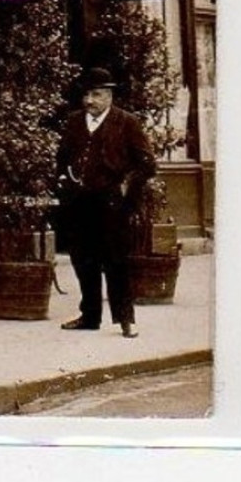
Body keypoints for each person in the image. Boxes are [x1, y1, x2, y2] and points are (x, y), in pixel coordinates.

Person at [54, 66, 156, 338]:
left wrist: (125, 188)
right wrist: (64, 180)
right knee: (83, 261)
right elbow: (62, 158)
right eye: (86, 95)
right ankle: (90, 316)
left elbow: (147, 164)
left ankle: (126, 319)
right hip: (79, 204)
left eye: (96, 94)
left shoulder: (126, 123)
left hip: (112, 205)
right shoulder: (75, 122)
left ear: (110, 95)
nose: (89, 101)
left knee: (116, 262)